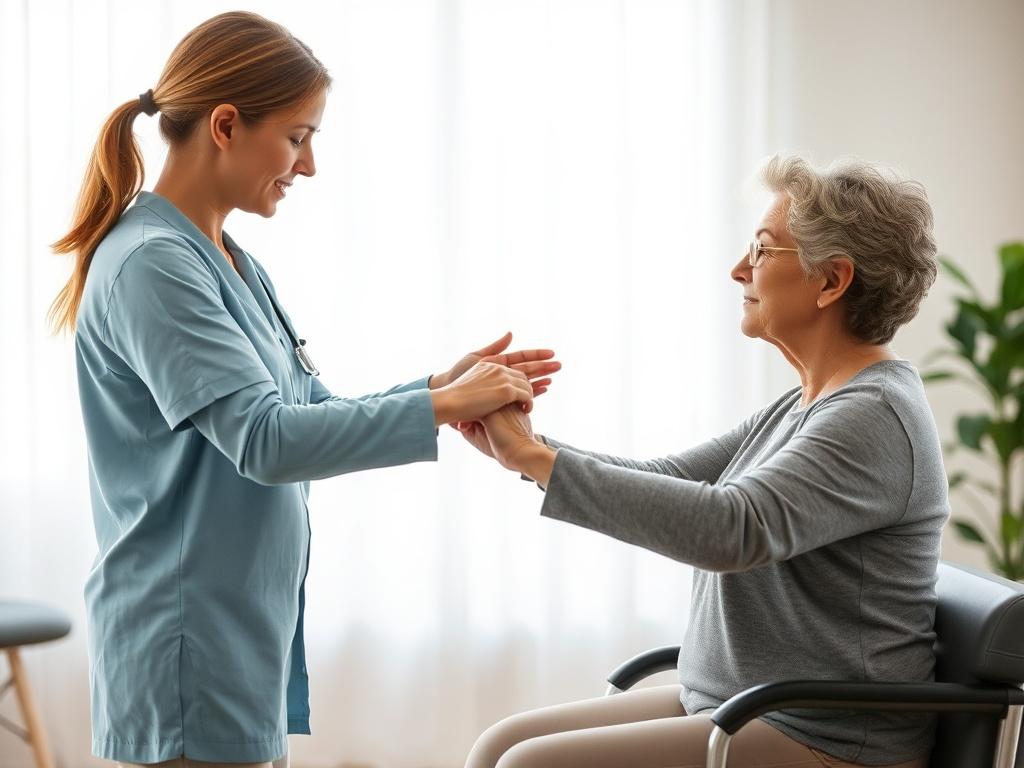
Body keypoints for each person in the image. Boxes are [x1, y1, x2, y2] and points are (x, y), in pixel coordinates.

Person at [49, 12, 559, 768]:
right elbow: (264, 442)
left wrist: (434, 387)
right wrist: (440, 407)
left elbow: (303, 415)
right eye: (297, 136)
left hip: (235, 645)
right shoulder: (155, 264)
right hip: (187, 652)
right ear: (225, 125)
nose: (308, 165)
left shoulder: (228, 261)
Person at [460, 155, 948, 768]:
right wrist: (530, 450)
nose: (738, 269)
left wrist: (532, 456)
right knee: (499, 745)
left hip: (827, 736)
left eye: (764, 251)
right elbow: (673, 479)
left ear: (831, 281)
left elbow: (733, 527)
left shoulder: (874, 414)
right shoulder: (809, 404)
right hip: (741, 704)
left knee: (528, 765)